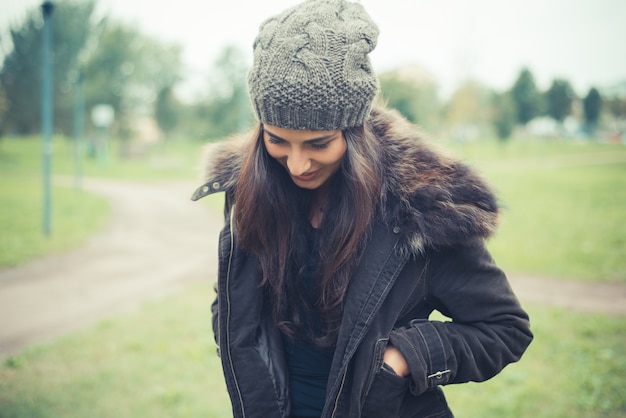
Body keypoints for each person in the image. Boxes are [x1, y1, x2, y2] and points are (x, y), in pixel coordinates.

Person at [192, 0, 533, 416]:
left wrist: (404, 359)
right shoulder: (254, 188)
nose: (297, 164)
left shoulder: (422, 209)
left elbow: (505, 329)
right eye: (278, 140)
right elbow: (232, 299)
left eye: (318, 143)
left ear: (354, 133)